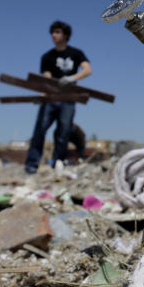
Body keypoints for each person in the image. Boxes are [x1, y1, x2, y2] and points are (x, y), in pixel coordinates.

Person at [24, 21, 92, 174]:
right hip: (51, 99)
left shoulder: (76, 53)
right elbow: (46, 79)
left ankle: (57, 164)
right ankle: (32, 165)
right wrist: (42, 96)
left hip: (68, 99)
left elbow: (87, 70)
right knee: (39, 131)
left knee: (63, 132)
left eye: (57, 32)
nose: (53, 35)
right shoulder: (47, 56)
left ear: (65, 35)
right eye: (52, 32)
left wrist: (72, 78)